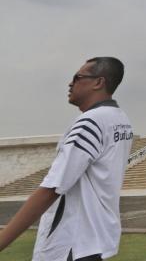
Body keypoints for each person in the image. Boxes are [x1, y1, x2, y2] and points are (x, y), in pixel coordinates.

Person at [0, 57, 133, 261]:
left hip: (72, 245)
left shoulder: (91, 122)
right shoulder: (120, 119)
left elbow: (51, 188)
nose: (70, 83)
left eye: (78, 77)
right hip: (96, 240)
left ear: (99, 82)